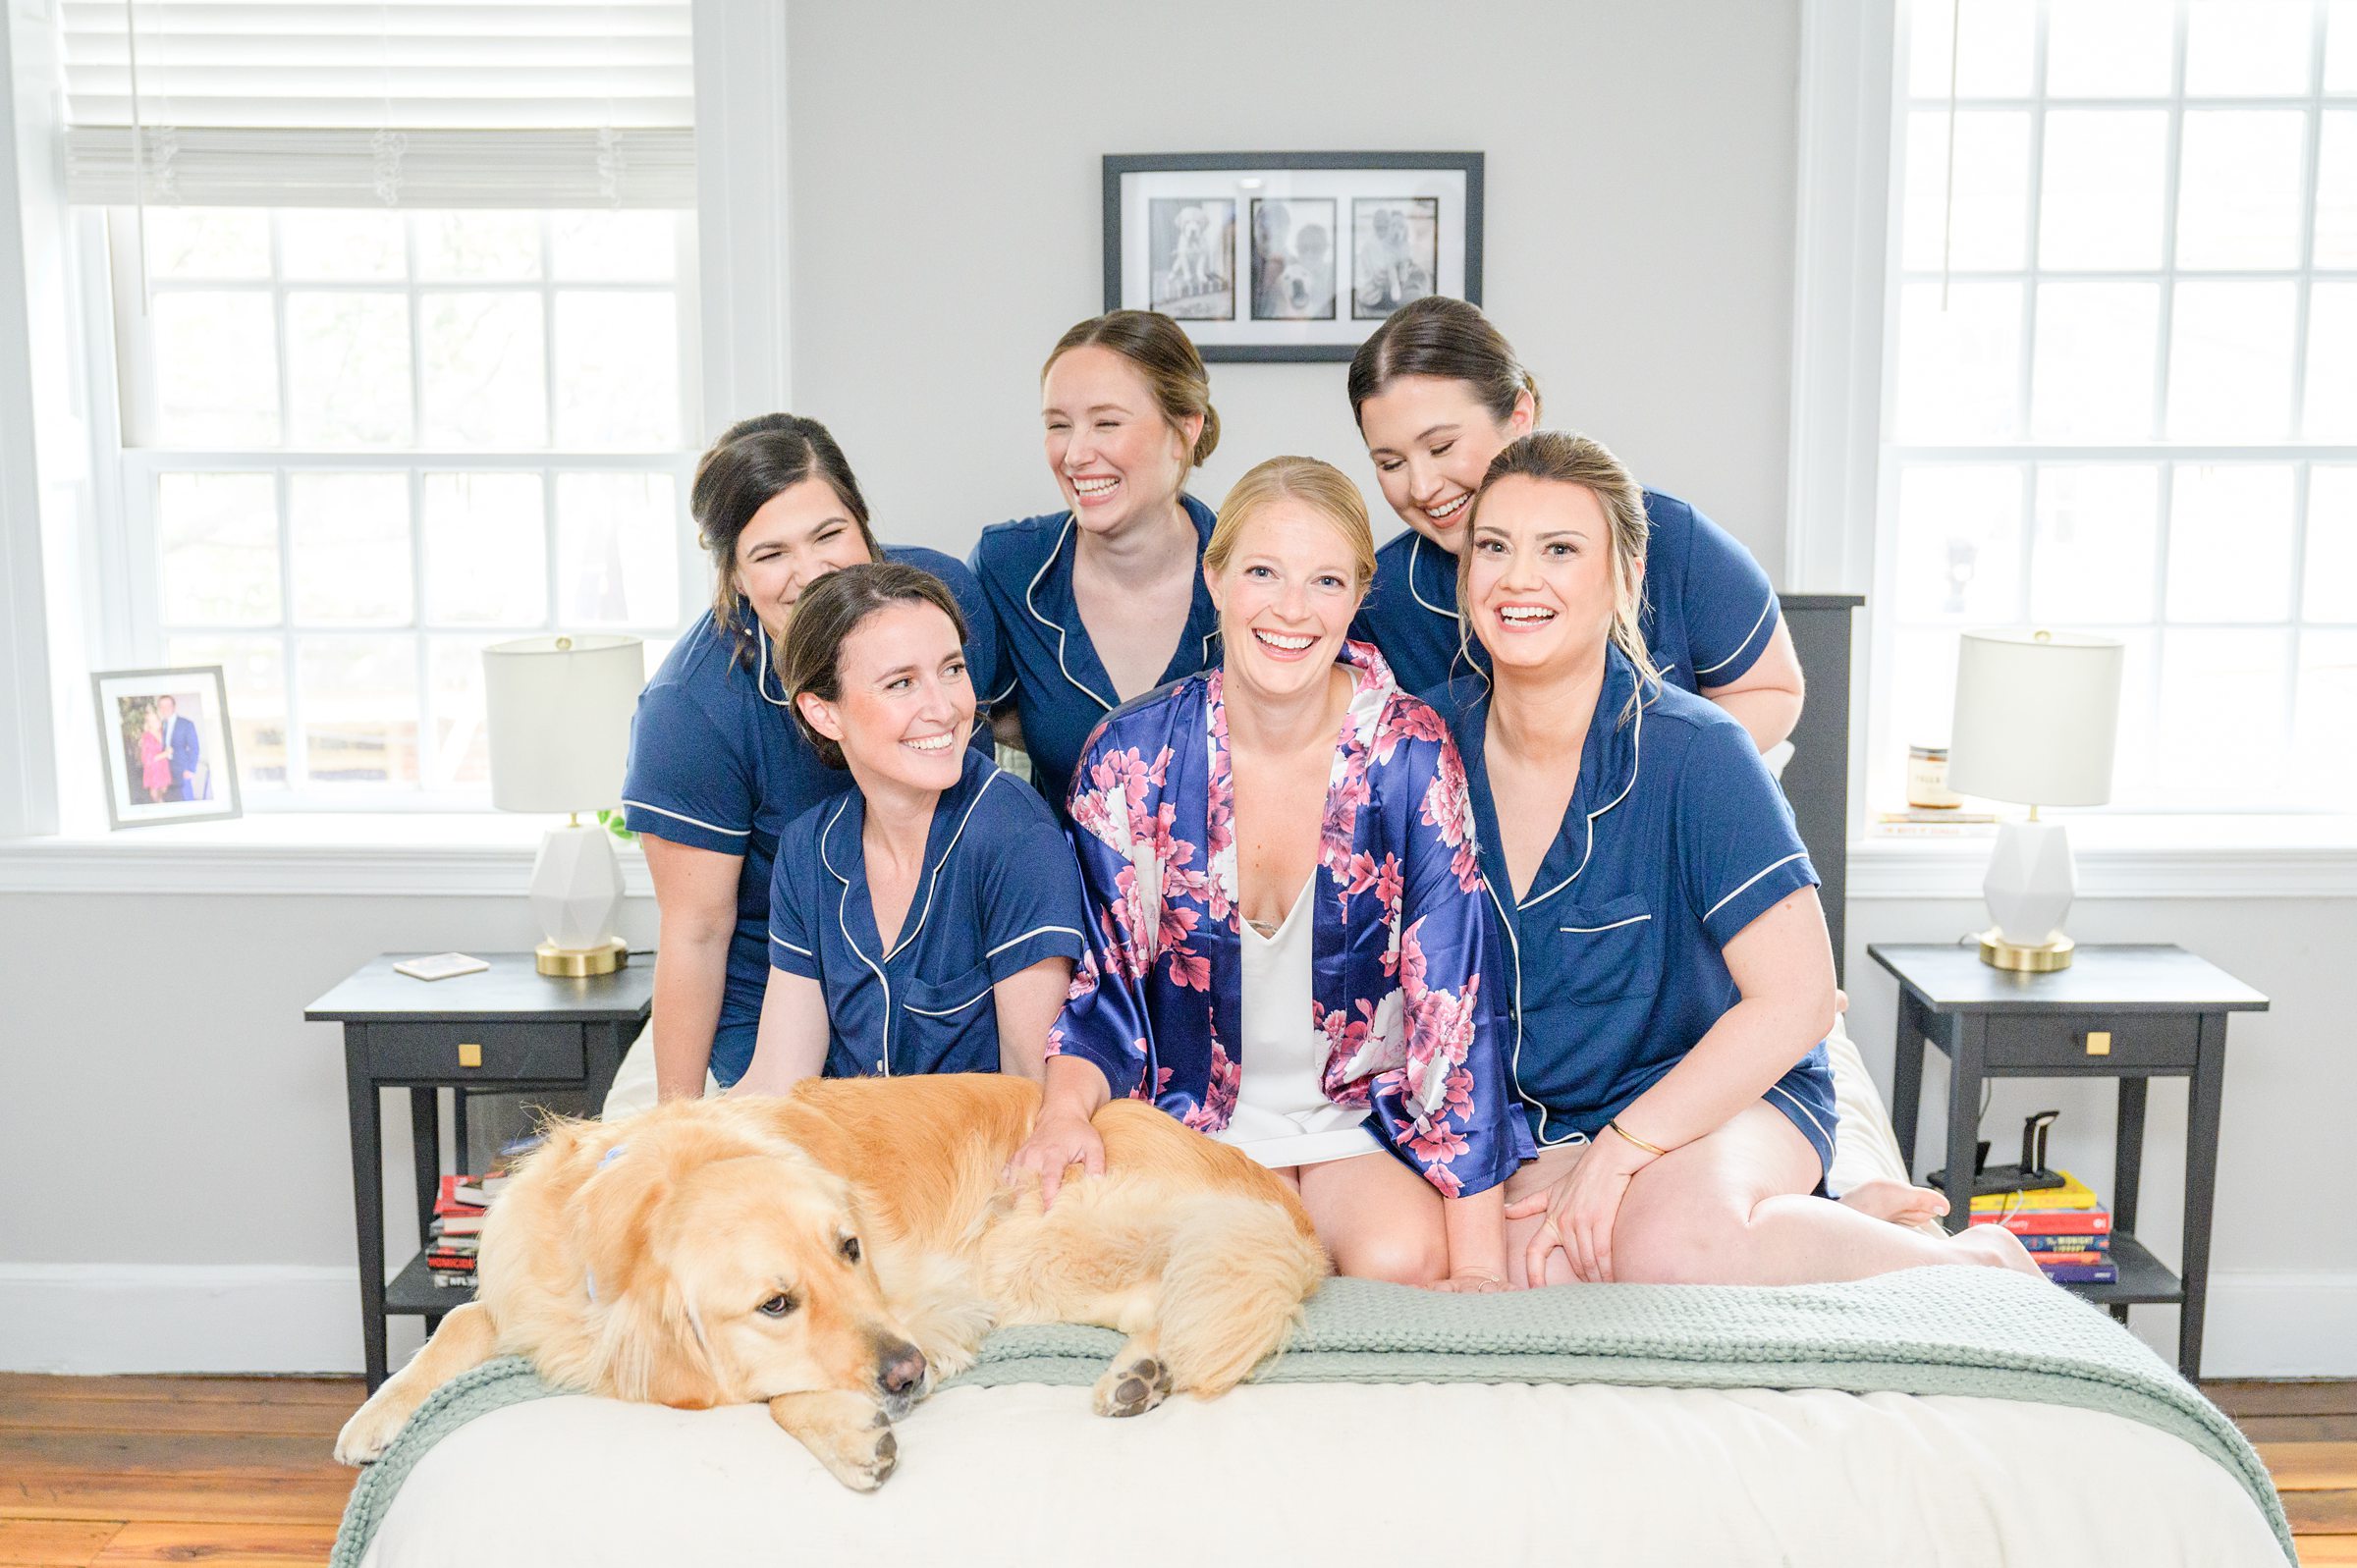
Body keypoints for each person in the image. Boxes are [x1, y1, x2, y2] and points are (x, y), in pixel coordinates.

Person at [1438, 430, 2037, 1287]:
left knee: (1674, 1247)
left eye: (1560, 549)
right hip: (1535, 1119)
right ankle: (1819, 1224)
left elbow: (1794, 1001)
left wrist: (1619, 1152)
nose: (1518, 578)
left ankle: (1976, 1261)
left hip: (1723, 1097)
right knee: (1517, 1263)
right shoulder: (1423, 745)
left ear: (1623, 581)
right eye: (1492, 547)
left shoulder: (1698, 752)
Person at [1007, 457, 1528, 1290]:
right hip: (1194, 1120)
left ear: (1358, 596)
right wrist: (1062, 1114)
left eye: (1324, 580)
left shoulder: (1410, 754)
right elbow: (1099, 993)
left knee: (1408, 1261)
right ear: (1215, 579)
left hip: (1358, 1118)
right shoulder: (1128, 757)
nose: (1291, 609)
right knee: (1169, 1267)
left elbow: (1453, 1010)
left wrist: (1480, 1275)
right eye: (1261, 572)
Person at [618, 414, 999, 1099]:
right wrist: (677, 1127)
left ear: (864, 525)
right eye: (770, 554)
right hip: (782, 1004)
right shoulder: (690, 712)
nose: (811, 572)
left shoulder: (943, 601)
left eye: (829, 534)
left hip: (949, 983)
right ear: (732, 573)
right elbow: (698, 932)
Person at [1346, 297, 1805, 753]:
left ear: (1519, 418)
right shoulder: (1376, 604)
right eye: (1390, 463)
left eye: (1443, 446)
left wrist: (1650, 791)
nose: (1423, 487)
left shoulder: (1670, 537)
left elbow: (1771, 691)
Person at [732, 563, 1086, 1094]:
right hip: (855, 1157)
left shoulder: (1014, 839)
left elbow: (1032, 1093)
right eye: (902, 683)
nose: (944, 708)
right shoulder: (808, 851)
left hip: (977, 1164)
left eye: (952, 670)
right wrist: (657, 1143)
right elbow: (779, 1079)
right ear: (824, 714)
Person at [969, 311, 1223, 821]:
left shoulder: (1252, 571)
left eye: (1107, 422)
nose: (1075, 453)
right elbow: (966, 720)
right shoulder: (1011, 567)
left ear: (1183, 431)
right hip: (1059, 893)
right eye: (1058, 426)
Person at [156, 694, 203, 801]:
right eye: (162, 706)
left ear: (174, 706)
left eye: (168, 705)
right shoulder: (161, 724)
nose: (165, 709)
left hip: (182, 769)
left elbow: (194, 747)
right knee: (170, 798)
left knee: (186, 798)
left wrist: (190, 769)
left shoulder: (186, 724)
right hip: (166, 769)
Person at [137, 708, 171, 802]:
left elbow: (163, 747)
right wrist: (165, 754)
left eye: (155, 719)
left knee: (164, 789)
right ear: (148, 723)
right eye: (150, 721)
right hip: (154, 769)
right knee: (156, 794)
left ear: (159, 719)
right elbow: (147, 759)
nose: (154, 723)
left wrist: (168, 750)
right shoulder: (147, 737)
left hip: (163, 766)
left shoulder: (161, 732)